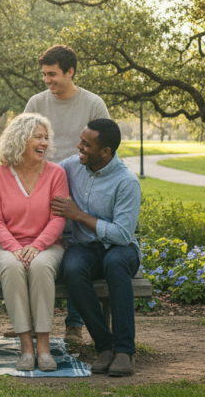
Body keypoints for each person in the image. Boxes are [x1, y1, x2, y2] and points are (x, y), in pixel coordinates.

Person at [24, 44, 110, 345]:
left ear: (70, 72)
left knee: (77, 248)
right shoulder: (36, 102)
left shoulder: (93, 104)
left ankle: (74, 324)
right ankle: (33, 322)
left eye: (52, 74)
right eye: (44, 74)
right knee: (36, 246)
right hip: (40, 185)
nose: (47, 80)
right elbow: (23, 142)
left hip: (80, 188)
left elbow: (106, 149)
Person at [52, 119, 141, 377]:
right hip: (85, 247)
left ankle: (125, 351)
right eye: (81, 140)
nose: (79, 146)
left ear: (105, 152)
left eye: (86, 144)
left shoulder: (126, 181)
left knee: (115, 263)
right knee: (72, 268)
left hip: (121, 249)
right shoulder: (71, 166)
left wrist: (79, 216)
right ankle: (105, 346)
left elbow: (123, 235)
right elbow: (40, 175)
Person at [0, 113, 68, 372]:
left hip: (47, 247)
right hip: (5, 248)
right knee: (12, 266)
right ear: (20, 139)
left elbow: (58, 219)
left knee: (41, 266)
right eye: (37, 137)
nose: (44, 143)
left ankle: (43, 347)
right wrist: (15, 248)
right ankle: (26, 348)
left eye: (46, 138)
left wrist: (37, 245)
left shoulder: (56, 173)